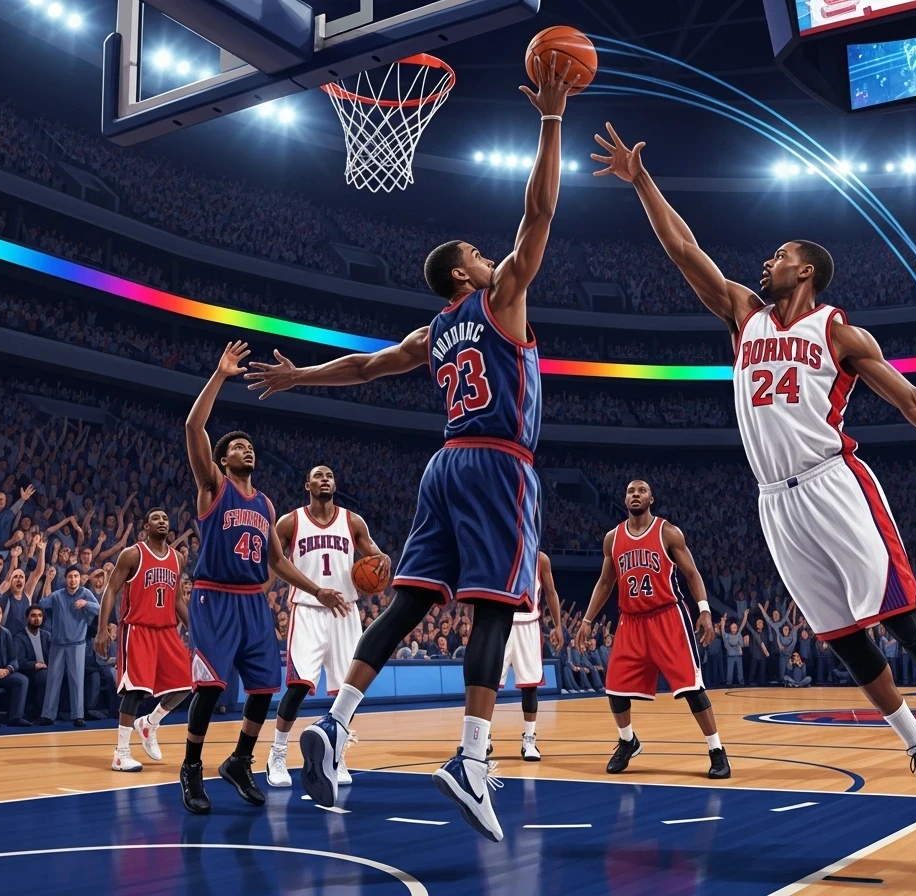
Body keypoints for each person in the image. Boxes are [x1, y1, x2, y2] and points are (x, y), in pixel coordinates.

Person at [594, 125, 916, 823]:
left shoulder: (838, 332)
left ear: (806, 271)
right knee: (843, 638)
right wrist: (640, 181)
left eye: (779, 256)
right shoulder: (743, 314)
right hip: (775, 501)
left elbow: (914, 401)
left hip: (834, 483)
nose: (766, 262)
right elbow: (685, 249)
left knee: (902, 620)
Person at [245, 56, 579, 841]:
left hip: (444, 465)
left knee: (411, 600)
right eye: (478, 252)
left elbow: (363, 367)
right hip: (500, 462)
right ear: (466, 270)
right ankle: (471, 757)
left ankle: (336, 719)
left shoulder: (431, 334)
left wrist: (298, 381)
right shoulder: (498, 298)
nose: (492, 256)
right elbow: (538, 215)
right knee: (497, 603)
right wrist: (552, 119)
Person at [178, 342, 347, 815]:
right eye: (236, 446)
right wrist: (219, 374)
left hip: (254, 601)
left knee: (262, 690)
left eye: (249, 446)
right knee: (210, 687)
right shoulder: (213, 486)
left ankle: (239, 760)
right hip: (215, 597)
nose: (245, 449)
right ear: (221, 458)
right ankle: (191, 767)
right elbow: (194, 427)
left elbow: (278, 561)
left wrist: (316, 589)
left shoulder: (267, 504)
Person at [576, 479, 731, 780]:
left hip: (667, 617)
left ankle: (716, 751)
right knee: (615, 688)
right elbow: (606, 583)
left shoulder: (668, 532)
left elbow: (691, 573)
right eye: (631, 491)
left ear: (651, 499)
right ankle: (627, 741)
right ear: (624, 499)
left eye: (641, 491)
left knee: (691, 688)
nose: (635, 495)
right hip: (631, 620)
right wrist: (586, 620)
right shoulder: (613, 538)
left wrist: (705, 611)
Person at [265, 465, 388, 788]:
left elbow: (375, 556)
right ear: (307, 484)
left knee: (345, 691)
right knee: (299, 685)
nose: (325, 480)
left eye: (329, 476)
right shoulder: (290, 521)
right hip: (307, 609)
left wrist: (382, 562)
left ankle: (336, 754)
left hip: (345, 613)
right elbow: (273, 562)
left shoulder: (353, 521)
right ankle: (277, 753)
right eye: (318, 476)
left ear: (335, 484)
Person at [94, 508, 193, 773]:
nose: (162, 521)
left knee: (187, 682)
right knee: (136, 690)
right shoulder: (133, 554)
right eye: (156, 518)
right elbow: (111, 588)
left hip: (167, 629)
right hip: (137, 628)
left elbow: (177, 600)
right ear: (145, 527)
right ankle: (121, 754)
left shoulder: (177, 558)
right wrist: (102, 628)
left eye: (165, 518)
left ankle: (150, 723)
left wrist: (195, 627)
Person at [496, 552, 565, 761]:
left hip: (528, 625)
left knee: (530, 686)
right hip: (501, 622)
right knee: (488, 683)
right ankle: (482, 737)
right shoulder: (501, 552)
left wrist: (558, 625)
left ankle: (529, 739)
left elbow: (551, 592)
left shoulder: (541, 559)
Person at [36, 565, 100, 726]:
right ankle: (47, 715)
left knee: (77, 680)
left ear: (80, 578)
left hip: (77, 644)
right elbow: (42, 605)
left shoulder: (86, 594)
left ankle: (78, 715)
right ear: (65, 579)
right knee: (53, 680)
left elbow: (100, 608)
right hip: (57, 643)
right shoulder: (57, 595)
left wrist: (86, 603)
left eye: (76, 576)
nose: (73, 580)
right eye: (70, 576)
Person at [14, 605, 51, 719]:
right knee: (45, 676)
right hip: (29, 671)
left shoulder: (47, 635)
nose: (37, 618)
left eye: (39, 616)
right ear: (27, 618)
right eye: (33, 615)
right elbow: (18, 661)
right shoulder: (19, 637)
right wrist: (35, 665)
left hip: (46, 669)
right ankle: (41, 713)